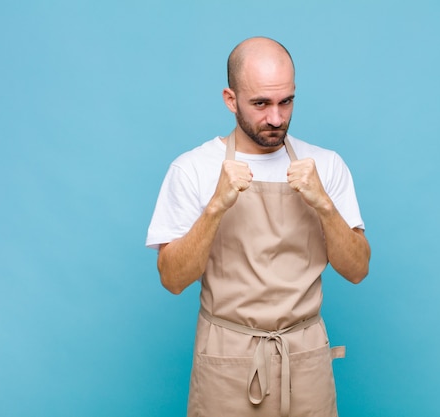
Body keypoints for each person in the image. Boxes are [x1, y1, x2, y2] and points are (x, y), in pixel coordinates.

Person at [146, 37, 370, 417]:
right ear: (230, 100)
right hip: (227, 361)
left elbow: (357, 270)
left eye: (287, 101)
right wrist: (216, 207)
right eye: (261, 104)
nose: (276, 118)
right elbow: (172, 279)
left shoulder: (326, 165)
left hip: (305, 359)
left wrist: (324, 206)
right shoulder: (193, 169)